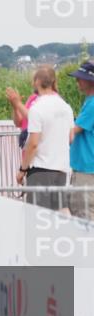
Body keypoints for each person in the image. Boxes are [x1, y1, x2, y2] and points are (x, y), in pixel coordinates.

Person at [18, 66, 75, 210]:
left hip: (41, 169)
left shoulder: (37, 108)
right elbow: (71, 137)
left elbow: (33, 144)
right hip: (61, 169)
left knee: (37, 217)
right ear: (54, 81)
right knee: (55, 218)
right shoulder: (66, 107)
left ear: (36, 82)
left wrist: (22, 169)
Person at [67, 60, 94, 219]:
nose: (77, 82)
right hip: (85, 167)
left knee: (84, 213)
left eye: (80, 78)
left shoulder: (92, 105)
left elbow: (73, 131)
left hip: (87, 168)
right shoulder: (88, 102)